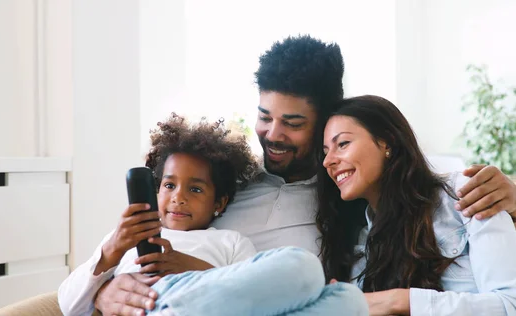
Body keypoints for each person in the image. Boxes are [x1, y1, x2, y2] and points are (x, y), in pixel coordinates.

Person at [93, 35, 516, 316]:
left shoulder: (349, 196)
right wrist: (104, 288)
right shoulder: (224, 185)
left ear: (325, 123)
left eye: (294, 124)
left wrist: (509, 196)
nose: (273, 135)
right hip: (185, 297)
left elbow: (414, 180)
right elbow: (148, 239)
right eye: (265, 117)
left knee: (329, 292)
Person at [60, 114, 367, 316]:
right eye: (169, 185)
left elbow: (251, 287)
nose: (178, 197)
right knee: (305, 265)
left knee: (349, 301)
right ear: (156, 192)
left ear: (219, 203)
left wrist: (191, 267)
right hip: (154, 301)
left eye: (195, 190)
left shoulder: (229, 241)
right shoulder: (128, 240)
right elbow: (68, 303)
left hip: (212, 304)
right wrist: (113, 248)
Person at [318, 95, 516, 315]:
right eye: (326, 152)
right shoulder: (362, 243)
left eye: (343, 144)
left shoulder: (464, 194)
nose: (328, 161)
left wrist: (399, 300)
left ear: (387, 141)